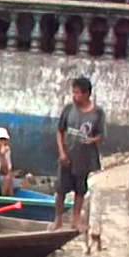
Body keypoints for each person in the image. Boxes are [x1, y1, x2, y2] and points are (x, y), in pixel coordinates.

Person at [51, 77, 106, 232]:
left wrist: (92, 140)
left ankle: (76, 220)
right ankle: (58, 220)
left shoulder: (98, 113)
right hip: (67, 156)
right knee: (60, 189)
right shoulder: (69, 109)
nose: (74, 96)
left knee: (80, 190)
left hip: (84, 158)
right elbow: (60, 131)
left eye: (77, 93)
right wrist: (62, 152)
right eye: (73, 92)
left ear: (87, 94)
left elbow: (101, 136)